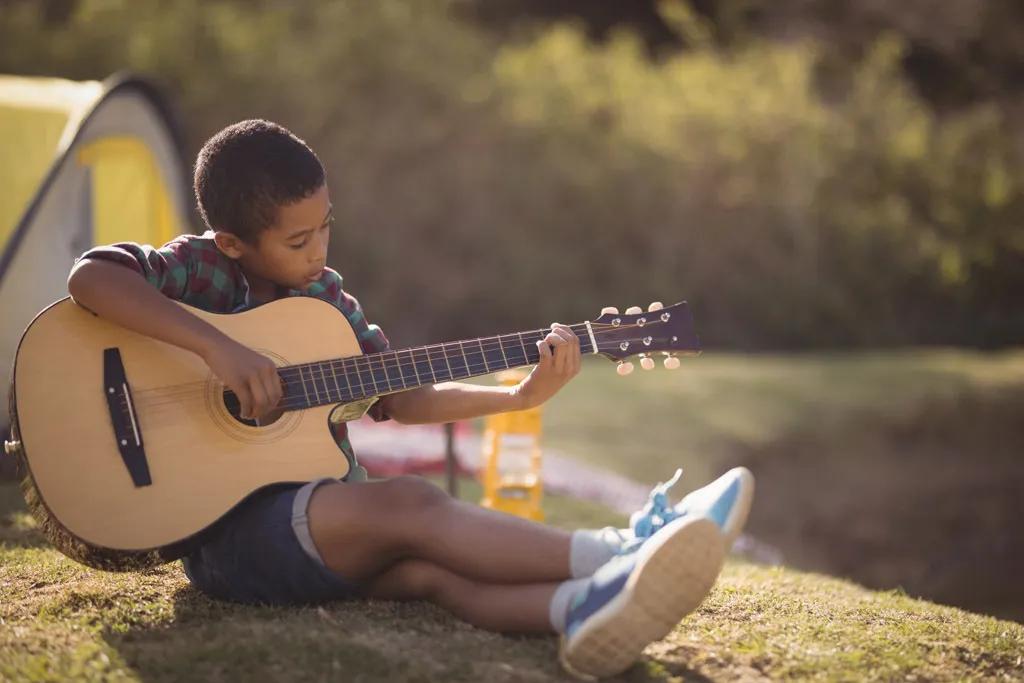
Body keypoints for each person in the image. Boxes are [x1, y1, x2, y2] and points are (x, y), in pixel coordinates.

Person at [66, 119, 755, 678]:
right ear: (233, 243)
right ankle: (624, 549)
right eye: (298, 240)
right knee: (410, 502)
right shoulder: (200, 271)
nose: (319, 251)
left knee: (429, 573)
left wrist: (517, 394)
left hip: (320, 525)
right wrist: (217, 348)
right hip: (227, 539)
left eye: (326, 227)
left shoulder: (326, 301)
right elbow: (92, 277)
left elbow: (402, 398)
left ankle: (577, 608)